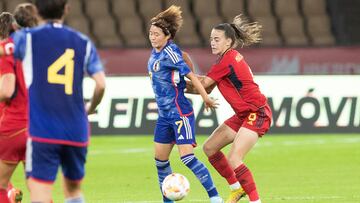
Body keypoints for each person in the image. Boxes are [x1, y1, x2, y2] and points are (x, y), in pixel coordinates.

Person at [2, 0, 106, 202]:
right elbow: (101, 85)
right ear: (66, 9)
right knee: (74, 191)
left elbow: (5, 50)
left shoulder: (28, 38)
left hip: (44, 129)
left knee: (40, 190)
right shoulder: (82, 41)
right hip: (77, 128)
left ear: (37, 11)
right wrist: (90, 108)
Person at [186, 15, 272, 203]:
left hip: (257, 113)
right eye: (211, 39)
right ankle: (237, 189)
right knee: (210, 148)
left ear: (229, 41)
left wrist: (176, 83)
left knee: (234, 158)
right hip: (243, 115)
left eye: (217, 39)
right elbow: (206, 87)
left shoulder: (227, 61)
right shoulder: (226, 59)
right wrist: (183, 83)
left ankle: (255, 201)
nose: (212, 43)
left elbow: (205, 86)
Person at [148, 5, 224, 203]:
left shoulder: (171, 52)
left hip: (180, 112)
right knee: (160, 162)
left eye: (156, 34)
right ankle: (168, 201)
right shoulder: (155, 52)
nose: (152, 37)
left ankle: (215, 197)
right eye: (151, 33)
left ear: (167, 36)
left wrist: (205, 97)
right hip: (164, 116)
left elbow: (191, 75)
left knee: (187, 158)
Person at [0, 5, 39, 202]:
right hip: (36, 125)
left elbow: (6, 90)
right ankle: (12, 192)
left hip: (11, 123)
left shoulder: (5, 53)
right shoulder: (39, 49)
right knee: (39, 187)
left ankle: (9, 194)